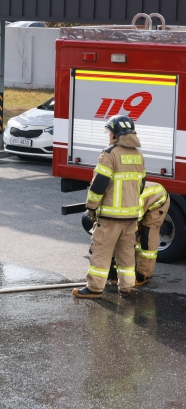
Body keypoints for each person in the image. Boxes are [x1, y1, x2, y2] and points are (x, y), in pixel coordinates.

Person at [73, 114, 145, 299]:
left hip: (111, 216)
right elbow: (141, 185)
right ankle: (126, 287)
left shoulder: (110, 153)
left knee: (102, 251)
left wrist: (91, 206)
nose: (109, 135)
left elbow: (99, 184)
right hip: (131, 216)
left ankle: (95, 288)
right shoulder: (138, 155)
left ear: (115, 134)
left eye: (110, 132)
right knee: (127, 252)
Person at [135, 182, 170, 286]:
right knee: (133, 240)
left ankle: (144, 275)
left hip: (158, 202)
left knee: (147, 236)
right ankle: (133, 268)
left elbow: (131, 228)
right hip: (146, 202)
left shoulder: (132, 204)